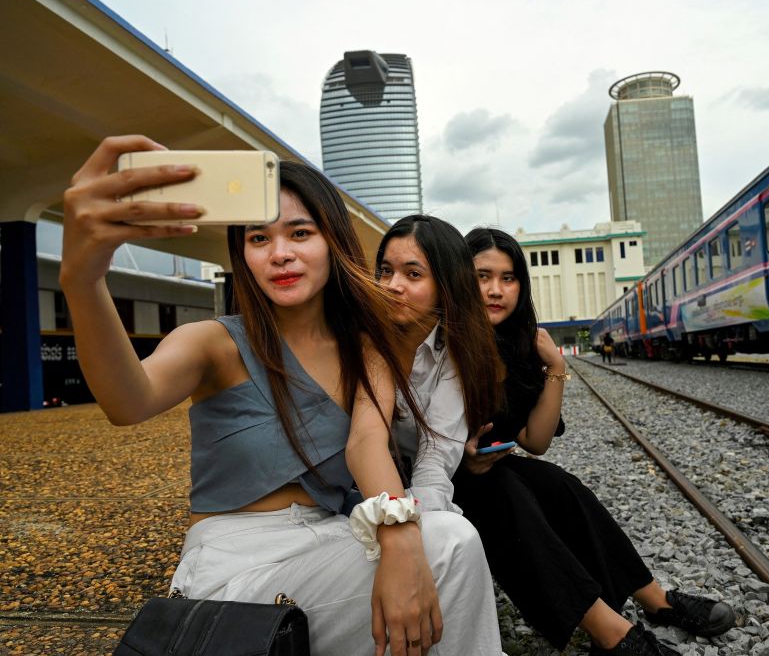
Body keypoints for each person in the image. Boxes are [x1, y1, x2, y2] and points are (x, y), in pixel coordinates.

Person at [59, 136, 503, 655]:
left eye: (300, 232)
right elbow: (127, 400)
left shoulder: (367, 350)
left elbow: (367, 445)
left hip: (334, 542)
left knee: (447, 541)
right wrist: (83, 280)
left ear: (332, 241)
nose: (281, 254)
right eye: (258, 238)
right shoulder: (215, 343)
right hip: (235, 564)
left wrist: (399, 535)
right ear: (241, 253)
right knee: (449, 543)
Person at [453, 227, 736, 656]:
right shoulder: (443, 341)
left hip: (486, 468)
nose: (496, 290)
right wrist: (460, 456)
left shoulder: (517, 343)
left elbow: (536, 441)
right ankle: (613, 636)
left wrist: (554, 369)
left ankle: (653, 600)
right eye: (482, 276)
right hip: (435, 479)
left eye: (508, 278)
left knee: (560, 484)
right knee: (506, 492)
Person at [373, 214, 505, 514]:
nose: (393, 285)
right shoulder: (364, 341)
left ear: (447, 283)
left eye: (413, 274)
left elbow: (436, 450)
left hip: (421, 483)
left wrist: (422, 517)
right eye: (385, 271)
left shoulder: (456, 353)